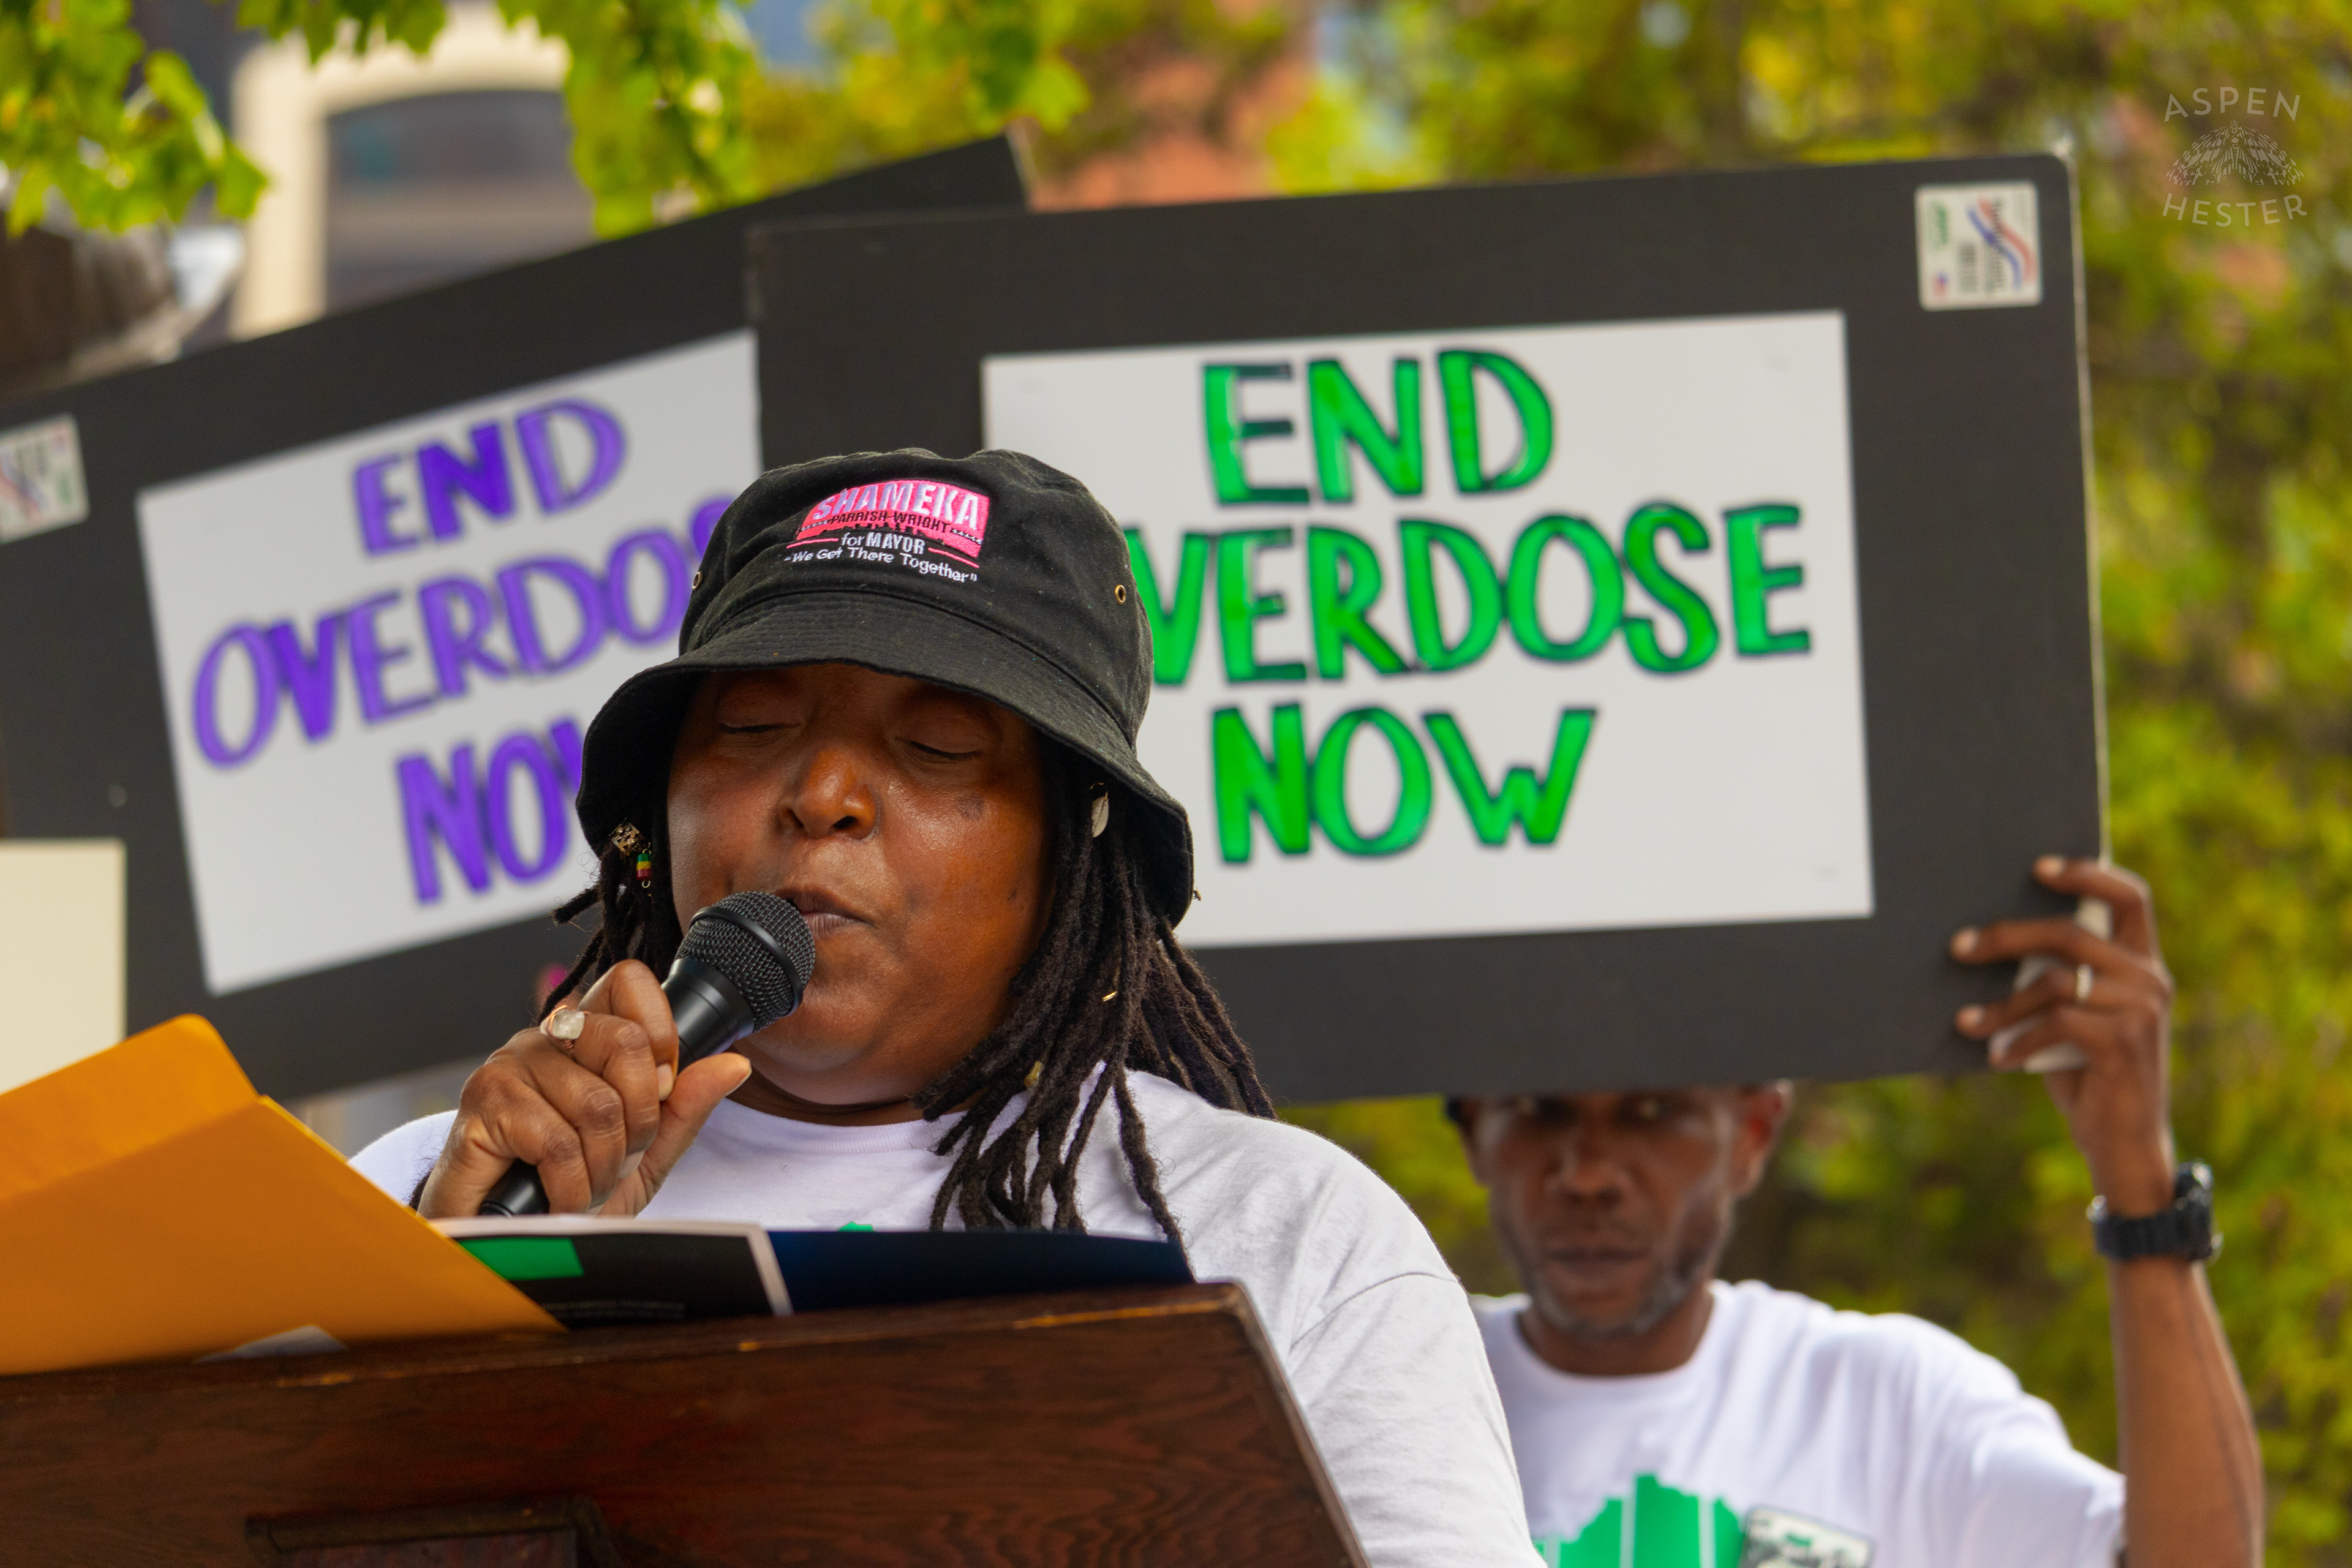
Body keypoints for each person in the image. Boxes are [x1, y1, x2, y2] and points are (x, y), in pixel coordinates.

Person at [352, 448, 1537, 1567]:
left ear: (1075, 843)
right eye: (755, 728)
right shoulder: (412, 1201)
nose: (821, 793)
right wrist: (449, 1319)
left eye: (938, 743)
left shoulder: (1290, 1241)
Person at [1451, 860, 2262, 1568]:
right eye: (1536, 1110)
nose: (1588, 1172)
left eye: (1653, 1113)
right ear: (1474, 1133)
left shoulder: (1887, 1405)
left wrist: (2140, 1186)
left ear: (1754, 1134)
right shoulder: (1390, 1393)